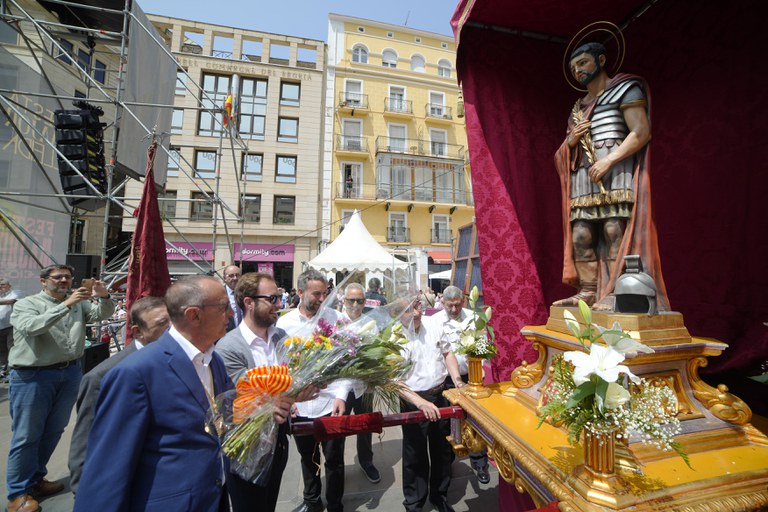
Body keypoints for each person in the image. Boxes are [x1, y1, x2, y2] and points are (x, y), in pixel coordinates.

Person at [74, 276, 235, 512]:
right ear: (194, 315)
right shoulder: (135, 373)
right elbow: (108, 468)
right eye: (223, 307)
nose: (231, 313)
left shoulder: (213, 359)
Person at [554, 41, 669, 311]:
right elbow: (564, 154)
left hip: (615, 171)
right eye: (573, 67)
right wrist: (571, 141)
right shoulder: (578, 108)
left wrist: (609, 160)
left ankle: (616, 290)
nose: (578, 70)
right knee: (581, 235)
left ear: (601, 60)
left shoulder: (625, 89)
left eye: (583, 62)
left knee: (614, 230)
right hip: (584, 177)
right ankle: (588, 291)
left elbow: (641, 132)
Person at [6, 265, 114, 512]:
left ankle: (36, 479)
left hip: (69, 373)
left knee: (53, 431)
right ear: (43, 281)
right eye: (58, 277)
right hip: (33, 376)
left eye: (67, 277)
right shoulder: (27, 304)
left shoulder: (77, 303)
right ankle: (17, 493)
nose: (64, 280)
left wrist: (104, 296)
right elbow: (32, 327)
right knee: (26, 436)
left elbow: (100, 315)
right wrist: (66, 305)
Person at [67, 296, 170, 495]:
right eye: (162, 324)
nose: (171, 330)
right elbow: (85, 439)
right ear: (138, 332)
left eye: (173, 321)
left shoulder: (177, 359)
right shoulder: (102, 376)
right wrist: (83, 491)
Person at [215, 272, 298, 512]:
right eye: (272, 299)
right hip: (246, 449)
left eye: (279, 298)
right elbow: (239, 401)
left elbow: (293, 381)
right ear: (249, 302)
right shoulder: (228, 347)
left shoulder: (281, 337)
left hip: (279, 442)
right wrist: (278, 402)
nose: (279, 305)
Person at [277, 269, 348, 512]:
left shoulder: (336, 318)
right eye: (316, 294)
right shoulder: (283, 324)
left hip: (331, 404)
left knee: (335, 459)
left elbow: (347, 361)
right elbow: (280, 367)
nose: (322, 298)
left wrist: (341, 395)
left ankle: (335, 504)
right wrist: (288, 400)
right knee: (308, 458)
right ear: (300, 292)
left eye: (325, 293)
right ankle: (312, 501)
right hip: (300, 407)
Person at [396, 299, 464, 512]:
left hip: (440, 395)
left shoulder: (434, 324)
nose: (416, 313)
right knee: (414, 454)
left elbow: (447, 353)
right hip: (412, 401)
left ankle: (439, 495)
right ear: (398, 313)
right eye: (409, 310)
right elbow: (394, 381)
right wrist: (421, 403)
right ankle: (414, 503)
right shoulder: (393, 337)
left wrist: (458, 381)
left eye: (417, 307)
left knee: (442, 449)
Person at [430, 286, 490, 484]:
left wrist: (481, 367)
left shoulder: (473, 318)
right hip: (447, 379)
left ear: (463, 301)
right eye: (450, 306)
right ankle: (447, 462)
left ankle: (479, 463)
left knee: (475, 420)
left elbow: (482, 344)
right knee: (448, 422)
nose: (454, 310)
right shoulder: (435, 321)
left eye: (457, 305)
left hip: (472, 376)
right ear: (443, 303)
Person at [341, 283, 380, 484]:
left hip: (364, 386)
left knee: (365, 425)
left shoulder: (370, 323)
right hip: (340, 389)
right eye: (351, 300)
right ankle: (336, 465)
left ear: (365, 302)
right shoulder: (336, 322)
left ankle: (367, 461)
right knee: (338, 427)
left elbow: (377, 351)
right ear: (344, 300)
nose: (355, 305)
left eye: (360, 300)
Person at [0, 278, 22, 380]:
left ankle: (12, 372)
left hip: (11, 327)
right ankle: (2, 371)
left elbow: (11, 301)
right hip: (0, 327)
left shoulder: (16, 292)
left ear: (9, 286)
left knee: (12, 349)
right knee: (2, 350)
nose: (0, 287)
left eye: (3, 284)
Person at [223, 264, 243, 331]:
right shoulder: (218, 294)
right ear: (224, 278)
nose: (235, 278)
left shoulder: (247, 292)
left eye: (237, 275)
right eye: (231, 275)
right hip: (226, 333)